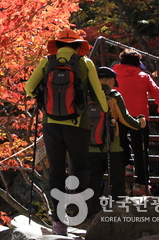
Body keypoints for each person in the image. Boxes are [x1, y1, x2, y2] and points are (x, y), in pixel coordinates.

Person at [25, 29, 108, 235]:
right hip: (78, 123)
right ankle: (77, 210)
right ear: (78, 45)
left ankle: (59, 221)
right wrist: (105, 110)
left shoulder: (47, 62)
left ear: (58, 44)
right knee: (80, 166)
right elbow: (98, 93)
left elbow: (28, 88)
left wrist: (42, 94)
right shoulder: (85, 63)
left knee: (56, 171)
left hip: (51, 124)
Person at [87, 67, 146, 218]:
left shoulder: (87, 94)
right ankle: (117, 215)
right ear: (112, 80)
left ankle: (90, 214)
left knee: (92, 182)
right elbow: (125, 119)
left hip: (90, 147)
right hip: (112, 146)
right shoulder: (114, 95)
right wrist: (140, 123)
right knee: (117, 183)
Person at [112, 49, 159, 195]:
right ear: (138, 63)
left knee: (122, 142)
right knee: (141, 150)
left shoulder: (113, 75)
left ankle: (128, 164)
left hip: (119, 116)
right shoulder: (143, 76)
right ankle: (141, 184)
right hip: (140, 119)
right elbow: (158, 93)